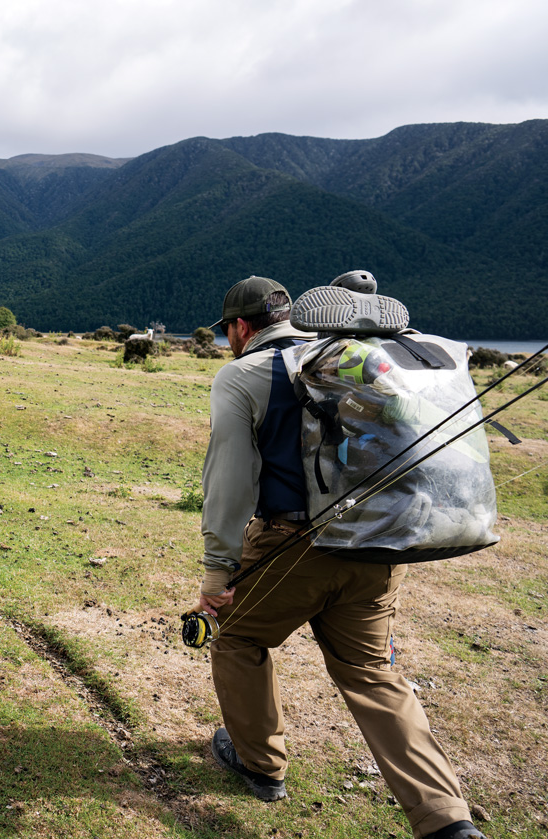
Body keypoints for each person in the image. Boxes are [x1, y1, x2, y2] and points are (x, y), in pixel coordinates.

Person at [195, 276, 487, 839]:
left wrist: (216, 572)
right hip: (376, 544)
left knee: (237, 638)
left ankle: (261, 764)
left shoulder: (242, 375)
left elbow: (228, 483)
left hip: (291, 544)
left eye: (227, 330)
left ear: (239, 327)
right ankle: (446, 821)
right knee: (373, 672)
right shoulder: (360, 363)